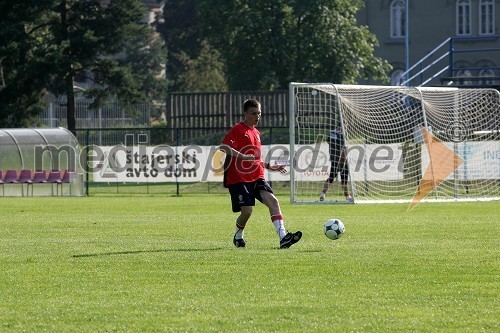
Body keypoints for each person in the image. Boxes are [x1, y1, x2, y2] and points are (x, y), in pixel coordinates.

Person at [220, 99, 302, 249]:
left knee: (273, 202)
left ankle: (283, 237)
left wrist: (269, 166)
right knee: (247, 211)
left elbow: (255, 160)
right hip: (239, 178)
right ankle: (238, 236)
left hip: (257, 176)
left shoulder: (256, 132)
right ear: (245, 114)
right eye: (253, 113)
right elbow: (224, 147)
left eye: (259, 113)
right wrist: (242, 156)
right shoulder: (238, 129)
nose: (257, 116)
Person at [319, 128, 353, 202]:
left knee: (331, 178)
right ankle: (347, 196)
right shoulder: (342, 133)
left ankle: (323, 194)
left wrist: (332, 154)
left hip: (334, 158)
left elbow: (328, 141)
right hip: (341, 159)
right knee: (344, 179)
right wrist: (342, 157)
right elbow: (343, 147)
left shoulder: (332, 132)